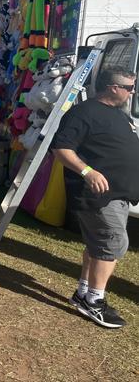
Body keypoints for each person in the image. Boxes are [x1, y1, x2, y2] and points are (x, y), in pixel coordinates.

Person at [52, 66, 138, 329]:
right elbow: (61, 148)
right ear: (113, 88)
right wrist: (87, 171)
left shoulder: (119, 115)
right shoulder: (84, 113)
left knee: (98, 245)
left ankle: (84, 292)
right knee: (111, 244)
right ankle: (94, 301)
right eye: (129, 88)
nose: (132, 93)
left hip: (119, 194)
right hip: (98, 196)